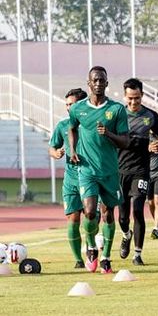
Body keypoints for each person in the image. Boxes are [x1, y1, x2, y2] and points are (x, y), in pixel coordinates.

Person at [68, 66, 130, 273]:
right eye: (94, 80)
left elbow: (125, 142)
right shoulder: (78, 109)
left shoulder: (117, 110)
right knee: (89, 211)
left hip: (110, 170)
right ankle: (92, 247)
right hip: (87, 170)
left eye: (101, 80)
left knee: (108, 214)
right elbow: (72, 128)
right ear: (89, 83)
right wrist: (73, 150)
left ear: (106, 83)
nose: (98, 83)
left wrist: (109, 134)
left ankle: (106, 257)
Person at [117, 78, 158, 266]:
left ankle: (137, 254)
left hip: (141, 170)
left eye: (137, 98)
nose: (133, 102)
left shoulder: (151, 116)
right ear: (124, 96)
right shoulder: (117, 115)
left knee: (138, 210)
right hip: (120, 170)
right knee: (123, 216)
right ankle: (126, 234)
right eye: (130, 98)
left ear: (142, 95)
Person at [49, 88, 89, 269]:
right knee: (73, 219)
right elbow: (52, 147)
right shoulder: (62, 126)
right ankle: (78, 260)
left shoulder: (91, 123)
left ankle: (92, 249)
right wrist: (55, 152)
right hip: (71, 179)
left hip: (90, 176)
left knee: (91, 218)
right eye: (66, 105)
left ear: (80, 105)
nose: (67, 108)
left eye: (71, 104)